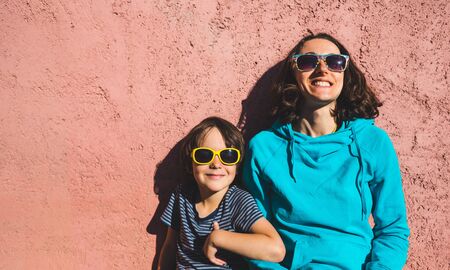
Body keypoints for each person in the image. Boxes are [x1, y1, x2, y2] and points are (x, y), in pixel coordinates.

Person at [243, 33, 410, 269]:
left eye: (334, 62)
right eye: (308, 62)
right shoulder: (264, 148)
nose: (323, 69)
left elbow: (392, 228)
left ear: (345, 72)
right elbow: (253, 229)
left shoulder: (373, 142)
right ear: (294, 72)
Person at [158, 116, 285, 269]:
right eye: (204, 155)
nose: (216, 164)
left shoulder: (238, 201)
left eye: (228, 155)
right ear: (189, 162)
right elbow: (170, 246)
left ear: (237, 166)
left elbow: (276, 250)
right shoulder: (182, 195)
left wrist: (220, 238)